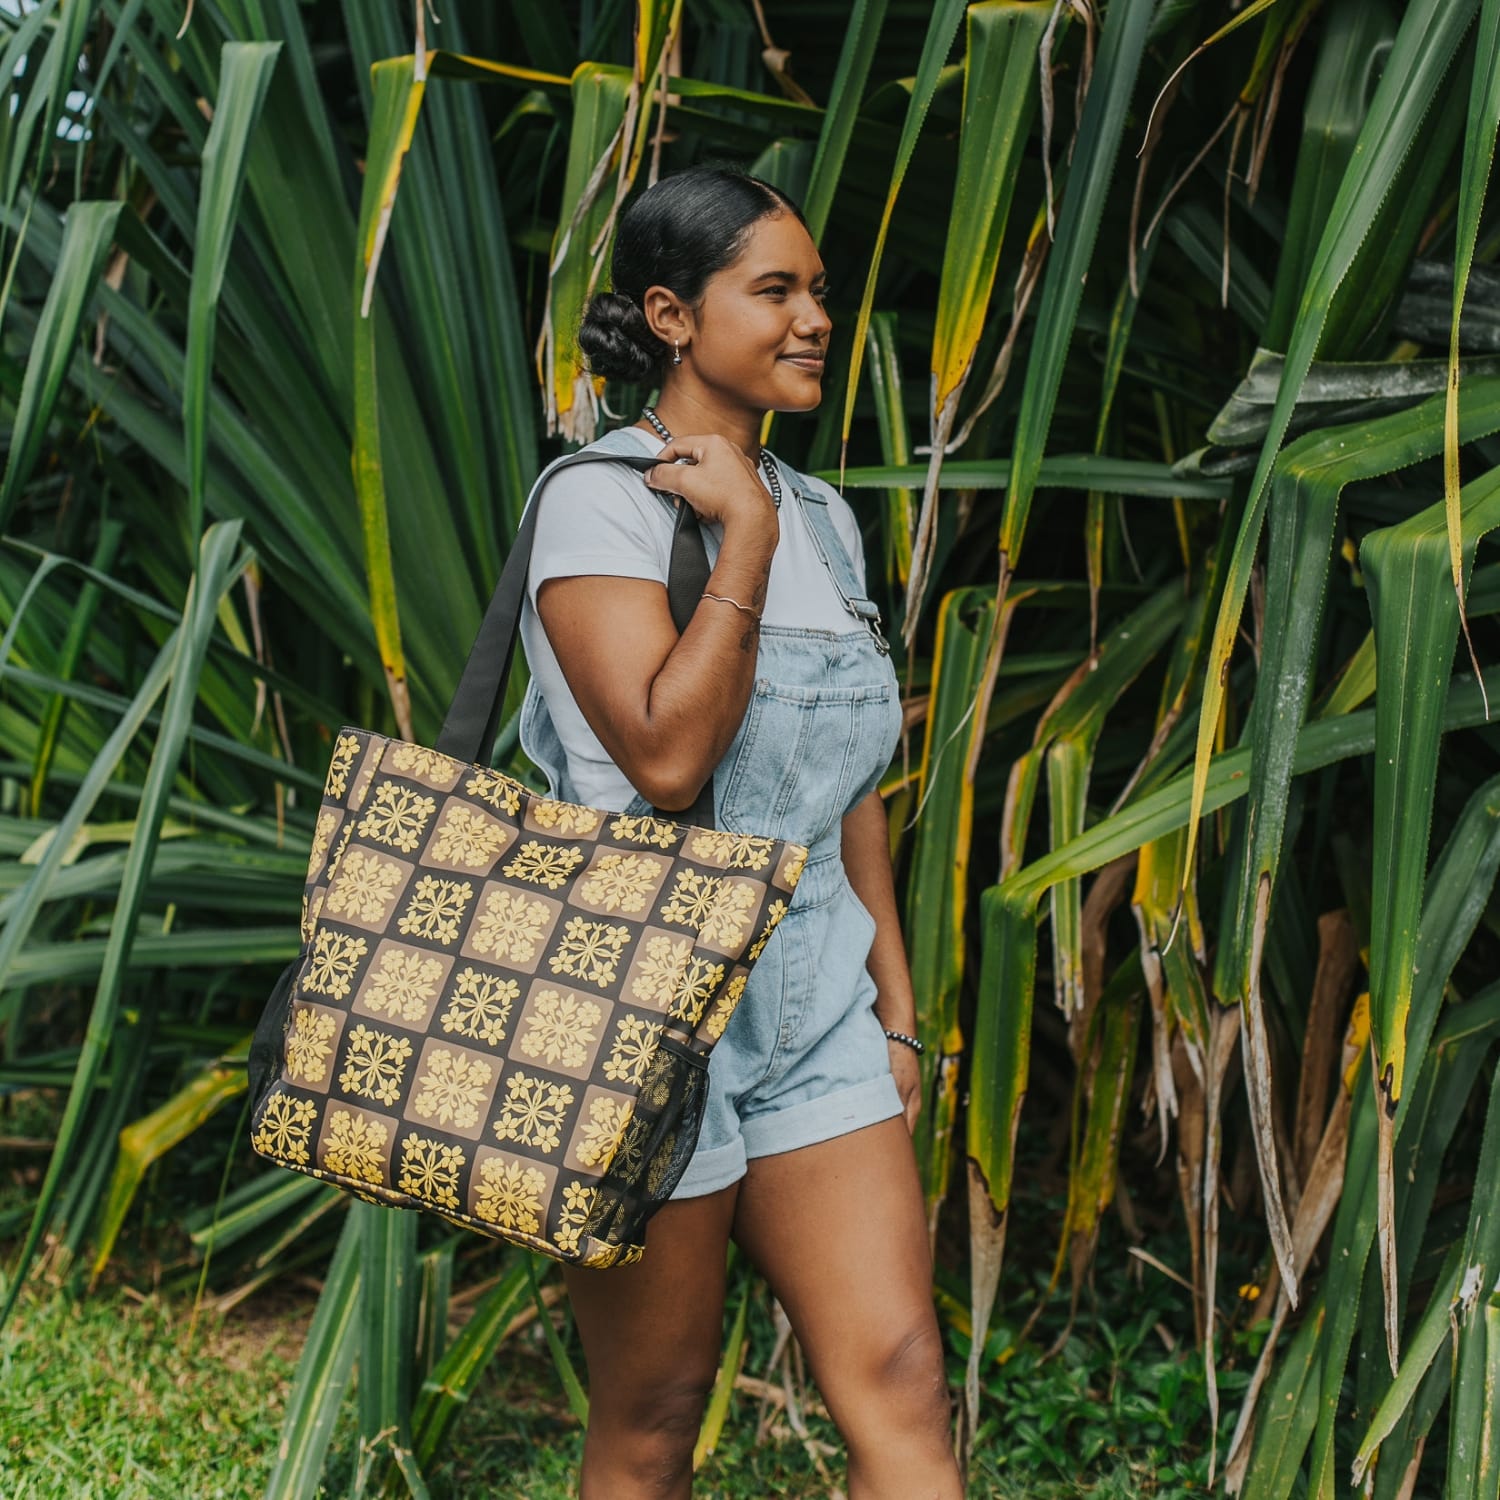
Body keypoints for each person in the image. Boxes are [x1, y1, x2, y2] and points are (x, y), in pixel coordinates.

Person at [515, 165, 965, 1500]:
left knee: (900, 1387)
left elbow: (850, 786)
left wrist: (893, 1006)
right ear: (669, 313)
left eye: (817, 289)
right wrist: (745, 540)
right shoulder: (595, 502)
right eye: (774, 290)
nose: (815, 316)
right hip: (641, 1015)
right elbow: (664, 758)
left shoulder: (824, 517)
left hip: (816, 1004)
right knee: (653, 1417)